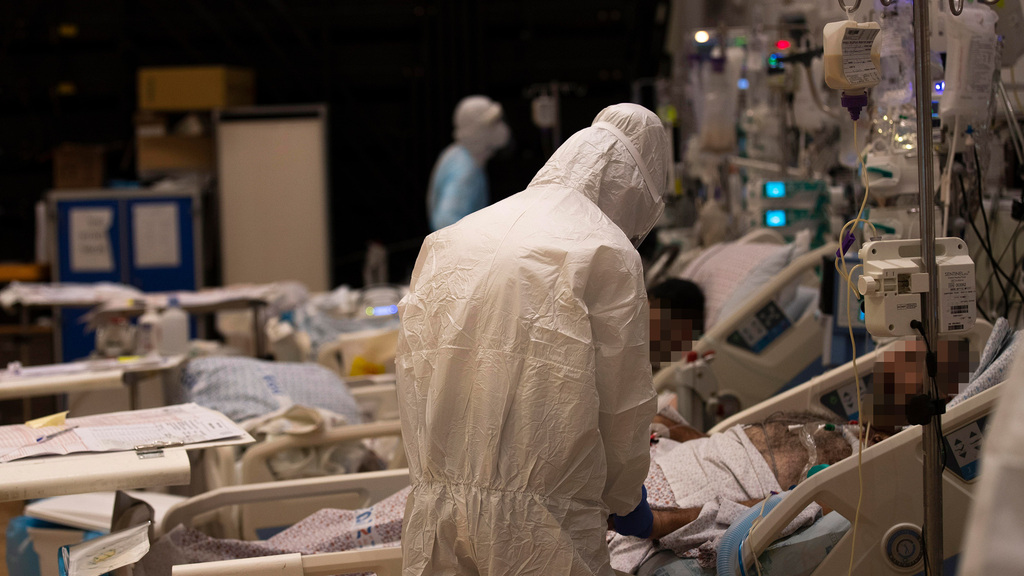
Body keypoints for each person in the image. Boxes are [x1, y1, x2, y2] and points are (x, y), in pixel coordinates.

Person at [397, 103, 672, 576]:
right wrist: (628, 502)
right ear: (633, 191)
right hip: (541, 530)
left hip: (435, 511)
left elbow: (414, 371)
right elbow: (622, 405)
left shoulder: (454, 237)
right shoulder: (604, 251)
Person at [426, 95, 511, 231]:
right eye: (493, 123)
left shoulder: (456, 153)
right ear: (477, 131)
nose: (501, 128)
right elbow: (445, 223)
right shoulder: (466, 169)